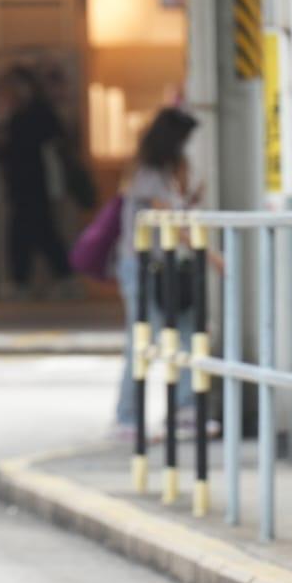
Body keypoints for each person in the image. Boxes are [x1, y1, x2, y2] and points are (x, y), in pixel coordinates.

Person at [116, 106, 200, 436]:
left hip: (158, 265)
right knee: (143, 337)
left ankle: (183, 408)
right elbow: (169, 220)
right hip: (140, 266)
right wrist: (210, 256)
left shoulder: (157, 171)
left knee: (184, 331)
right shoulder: (148, 173)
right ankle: (127, 416)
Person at [0, 66, 86, 299]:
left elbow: (17, 151)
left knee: (34, 233)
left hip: (34, 185)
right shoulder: (29, 114)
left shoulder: (33, 116)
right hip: (28, 186)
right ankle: (47, 278)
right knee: (37, 232)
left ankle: (32, 281)